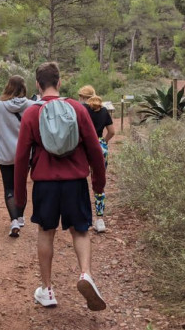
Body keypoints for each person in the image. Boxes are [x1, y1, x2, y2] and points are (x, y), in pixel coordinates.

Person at [14, 62, 107, 311]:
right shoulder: (77, 108)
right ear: (60, 81)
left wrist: (20, 199)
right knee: (81, 231)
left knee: (46, 232)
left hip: (45, 184)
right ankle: (85, 274)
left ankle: (47, 290)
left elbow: (21, 157)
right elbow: (95, 150)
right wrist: (98, 184)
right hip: (75, 181)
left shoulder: (32, 113)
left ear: (37, 84)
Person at [0, 75, 35, 237]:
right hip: (25, 154)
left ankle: (13, 221)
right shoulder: (31, 106)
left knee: (9, 187)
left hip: (5, 154)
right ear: (24, 88)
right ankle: (21, 216)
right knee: (21, 185)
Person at [78, 86, 115, 233]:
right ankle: (100, 219)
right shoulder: (104, 110)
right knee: (99, 182)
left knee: (80, 180)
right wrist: (102, 142)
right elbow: (112, 131)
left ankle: (82, 215)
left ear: (82, 97)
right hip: (100, 147)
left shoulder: (81, 111)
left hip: (83, 147)